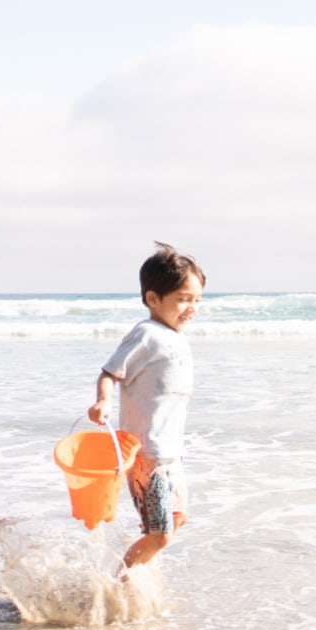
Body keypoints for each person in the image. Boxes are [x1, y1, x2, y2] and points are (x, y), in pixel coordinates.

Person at [86, 242, 204, 570]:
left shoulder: (175, 336)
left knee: (177, 520)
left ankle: (129, 575)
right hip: (146, 457)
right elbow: (110, 372)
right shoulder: (146, 334)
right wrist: (103, 401)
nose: (191, 307)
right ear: (153, 299)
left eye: (197, 300)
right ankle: (117, 587)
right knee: (160, 535)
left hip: (171, 455)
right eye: (182, 299)